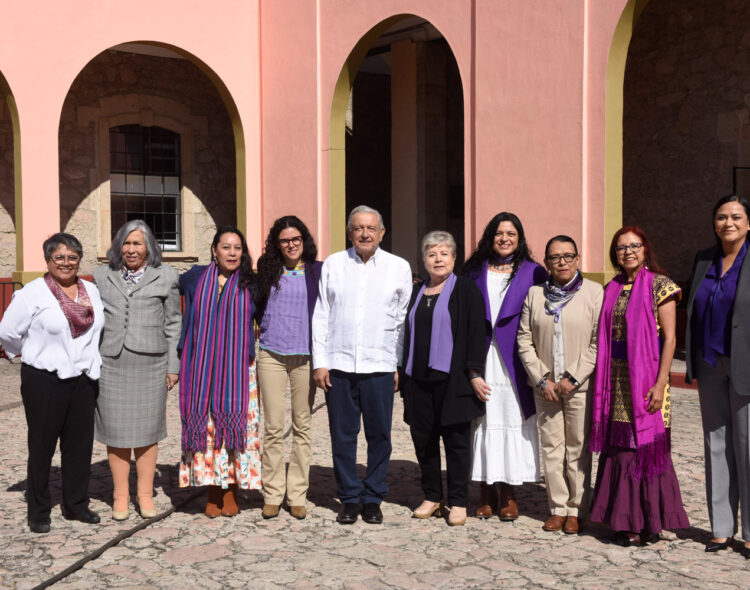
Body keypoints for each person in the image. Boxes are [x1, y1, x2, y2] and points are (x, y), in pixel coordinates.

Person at [589, 226, 689, 546]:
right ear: (614, 254)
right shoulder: (612, 287)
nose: (628, 252)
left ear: (645, 249)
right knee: (620, 445)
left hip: (648, 381)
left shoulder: (661, 285)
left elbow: (671, 339)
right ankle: (623, 519)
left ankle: (648, 521)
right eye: (621, 248)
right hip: (615, 380)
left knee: (645, 446)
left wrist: (661, 384)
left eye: (634, 246)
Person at [312, 205, 412, 525]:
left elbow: (402, 321)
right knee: (343, 435)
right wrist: (321, 362)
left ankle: (373, 496)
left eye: (371, 228)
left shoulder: (398, 267)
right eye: (358, 228)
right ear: (349, 232)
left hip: (380, 366)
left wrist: (397, 363)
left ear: (382, 233)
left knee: (379, 435)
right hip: (340, 365)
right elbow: (322, 314)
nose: (365, 233)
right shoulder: (334, 265)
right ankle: (350, 498)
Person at [0, 233, 104, 533]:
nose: (66, 262)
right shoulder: (32, 294)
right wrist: (33, 350)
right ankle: (39, 509)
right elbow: (7, 332)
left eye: (72, 257)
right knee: (42, 446)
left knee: (79, 447)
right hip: (44, 380)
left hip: (84, 380)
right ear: (48, 260)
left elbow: (98, 330)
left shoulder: (92, 291)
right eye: (59, 257)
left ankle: (76, 505)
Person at [93, 220, 181, 521]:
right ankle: (120, 495)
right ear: (119, 246)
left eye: (137, 244)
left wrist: (173, 365)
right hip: (111, 363)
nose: (131, 249)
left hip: (151, 363)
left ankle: (144, 495)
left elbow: (173, 323)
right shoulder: (102, 275)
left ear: (149, 247)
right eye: (126, 243)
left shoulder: (167, 275)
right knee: (115, 432)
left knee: (147, 432)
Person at [462, 212, 547, 520]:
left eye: (511, 234)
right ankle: (486, 490)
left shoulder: (534, 273)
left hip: (515, 359)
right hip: (481, 356)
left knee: (512, 420)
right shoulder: (473, 271)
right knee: (483, 421)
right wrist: (469, 368)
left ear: (519, 238)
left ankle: (509, 492)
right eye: (499, 233)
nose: (505, 239)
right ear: (490, 237)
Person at [517, 235, 602, 534]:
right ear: (547, 263)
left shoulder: (594, 293)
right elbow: (524, 340)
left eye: (568, 256)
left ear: (578, 259)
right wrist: (542, 378)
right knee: (552, 447)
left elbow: (597, 342)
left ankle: (577, 508)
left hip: (579, 385)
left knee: (578, 446)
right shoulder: (535, 295)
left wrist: (573, 377)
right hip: (546, 387)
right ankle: (557, 507)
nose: (562, 262)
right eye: (554, 257)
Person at [401, 231, 486, 526]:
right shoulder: (416, 292)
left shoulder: (465, 290)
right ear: (423, 260)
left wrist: (474, 372)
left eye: (444, 254)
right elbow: (405, 335)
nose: (438, 259)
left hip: (453, 381)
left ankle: (459, 501)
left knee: (456, 442)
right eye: (432, 254)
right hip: (418, 380)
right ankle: (432, 496)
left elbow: (477, 333)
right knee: (424, 441)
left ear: (454, 258)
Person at [178, 226, 261, 517]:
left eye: (237, 247)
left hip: (237, 372)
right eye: (226, 247)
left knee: (236, 431)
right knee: (209, 433)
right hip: (201, 370)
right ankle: (212, 490)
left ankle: (232, 490)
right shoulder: (194, 279)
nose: (232, 253)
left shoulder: (252, 283)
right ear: (214, 250)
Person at [685, 194, 750, 558]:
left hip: (746, 364)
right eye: (722, 217)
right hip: (710, 363)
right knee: (717, 445)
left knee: (749, 448)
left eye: (736, 217)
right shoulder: (703, 260)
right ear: (714, 223)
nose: (729, 223)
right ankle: (722, 528)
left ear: (748, 223)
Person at [255, 216, 322, 520]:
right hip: (272, 354)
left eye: (296, 239)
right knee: (272, 427)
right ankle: (272, 493)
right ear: (277, 244)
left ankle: (296, 494)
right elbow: (255, 307)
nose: (291, 244)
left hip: (305, 358)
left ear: (303, 240)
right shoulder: (267, 270)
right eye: (285, 240)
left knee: (302, 425)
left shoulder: (317, 271)